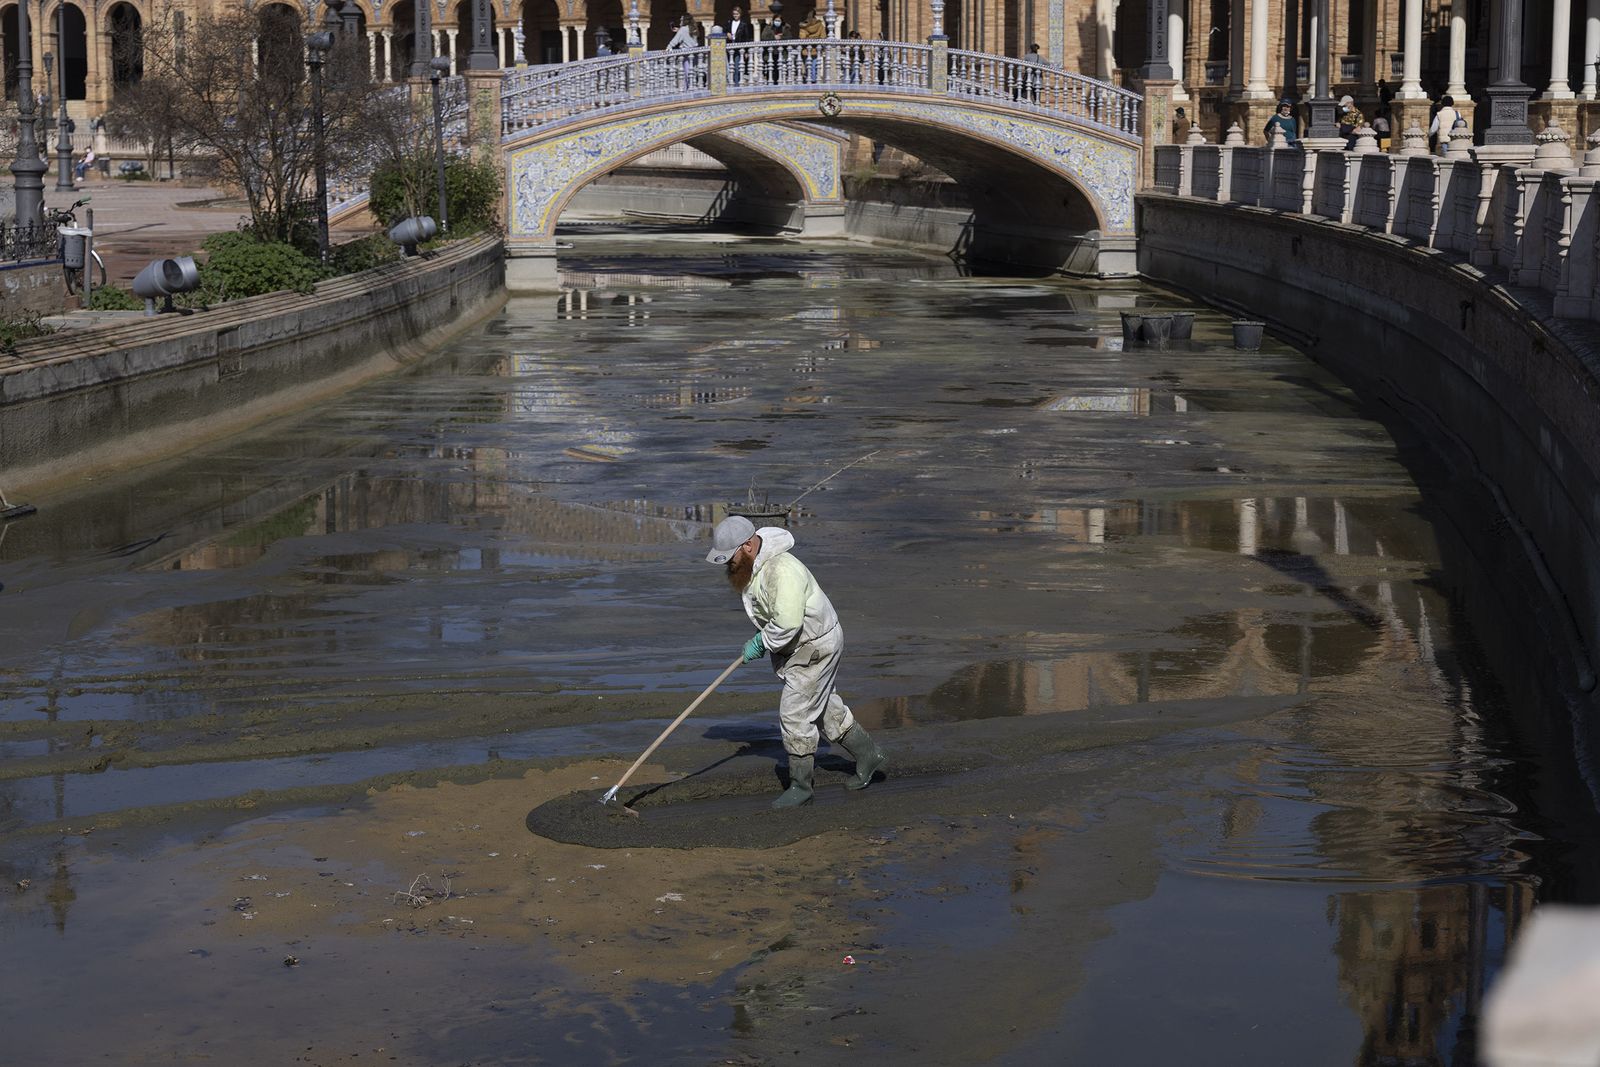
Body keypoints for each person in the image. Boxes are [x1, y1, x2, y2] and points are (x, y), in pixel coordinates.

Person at [707, 515, 887, 809]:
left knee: (794, 713)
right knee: (824, 706)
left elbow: (788, 622)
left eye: (731, 558)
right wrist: (761, 635)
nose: (729, 565)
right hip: (803, 644)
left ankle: (801, 786)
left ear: (749, 546)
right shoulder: (758, 566)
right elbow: (772, 610)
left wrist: (762, 642)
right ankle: (870, 754)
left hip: (814, 646)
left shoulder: (782, 569)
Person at [727, 5, 753, 84]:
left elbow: (746, 38)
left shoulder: (743, 24)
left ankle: (736, 82)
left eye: (737, 14)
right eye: (734, 14)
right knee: (730, 65)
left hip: (739, 47)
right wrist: (727, 33)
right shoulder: (729, 22)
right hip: (730, 46)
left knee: (737, 66)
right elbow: (726, 30)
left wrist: (746, 51)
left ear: (740, 14)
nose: (735, 15)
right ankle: (731, 81)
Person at [798, 9, 824, 82]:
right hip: (816, 49)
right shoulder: (820, 25)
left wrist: (809, 37)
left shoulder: (804, 26)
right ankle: (814, 79)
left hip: (806, 49)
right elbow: (823, 36)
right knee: (815, 65)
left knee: (808, 65)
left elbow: (802, 37)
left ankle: (810, 79)